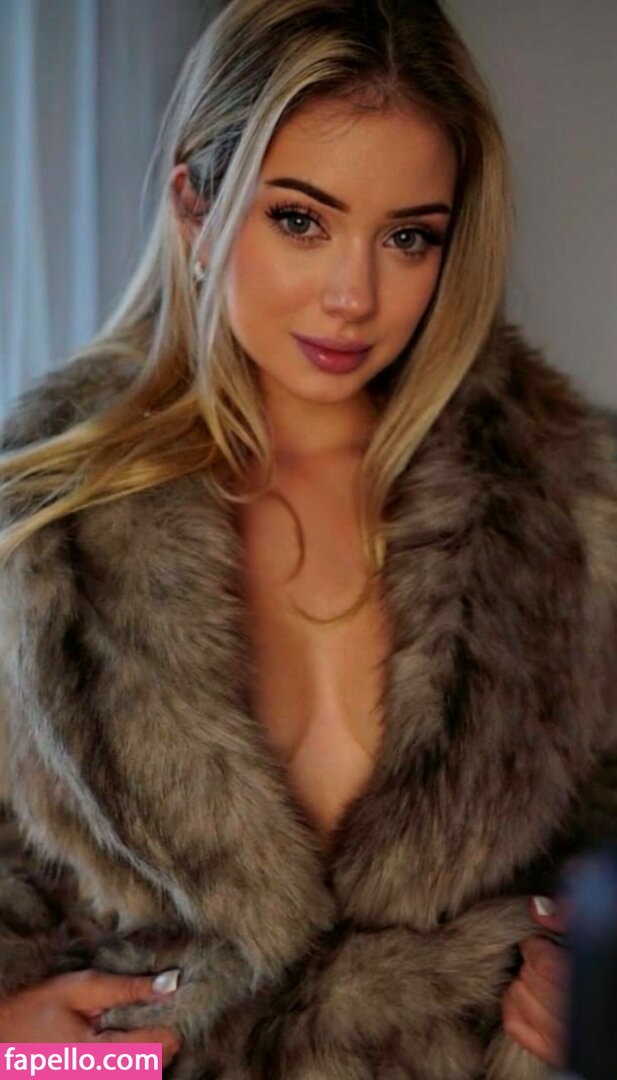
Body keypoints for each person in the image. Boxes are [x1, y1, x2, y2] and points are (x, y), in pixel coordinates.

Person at [0, 0, 614, 1076]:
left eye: (408, 237)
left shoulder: (573, 503)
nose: (352, 296)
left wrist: (603, 1005)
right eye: (300, 220)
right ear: (195, 208)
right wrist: (22, 1054)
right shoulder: (41, 515)